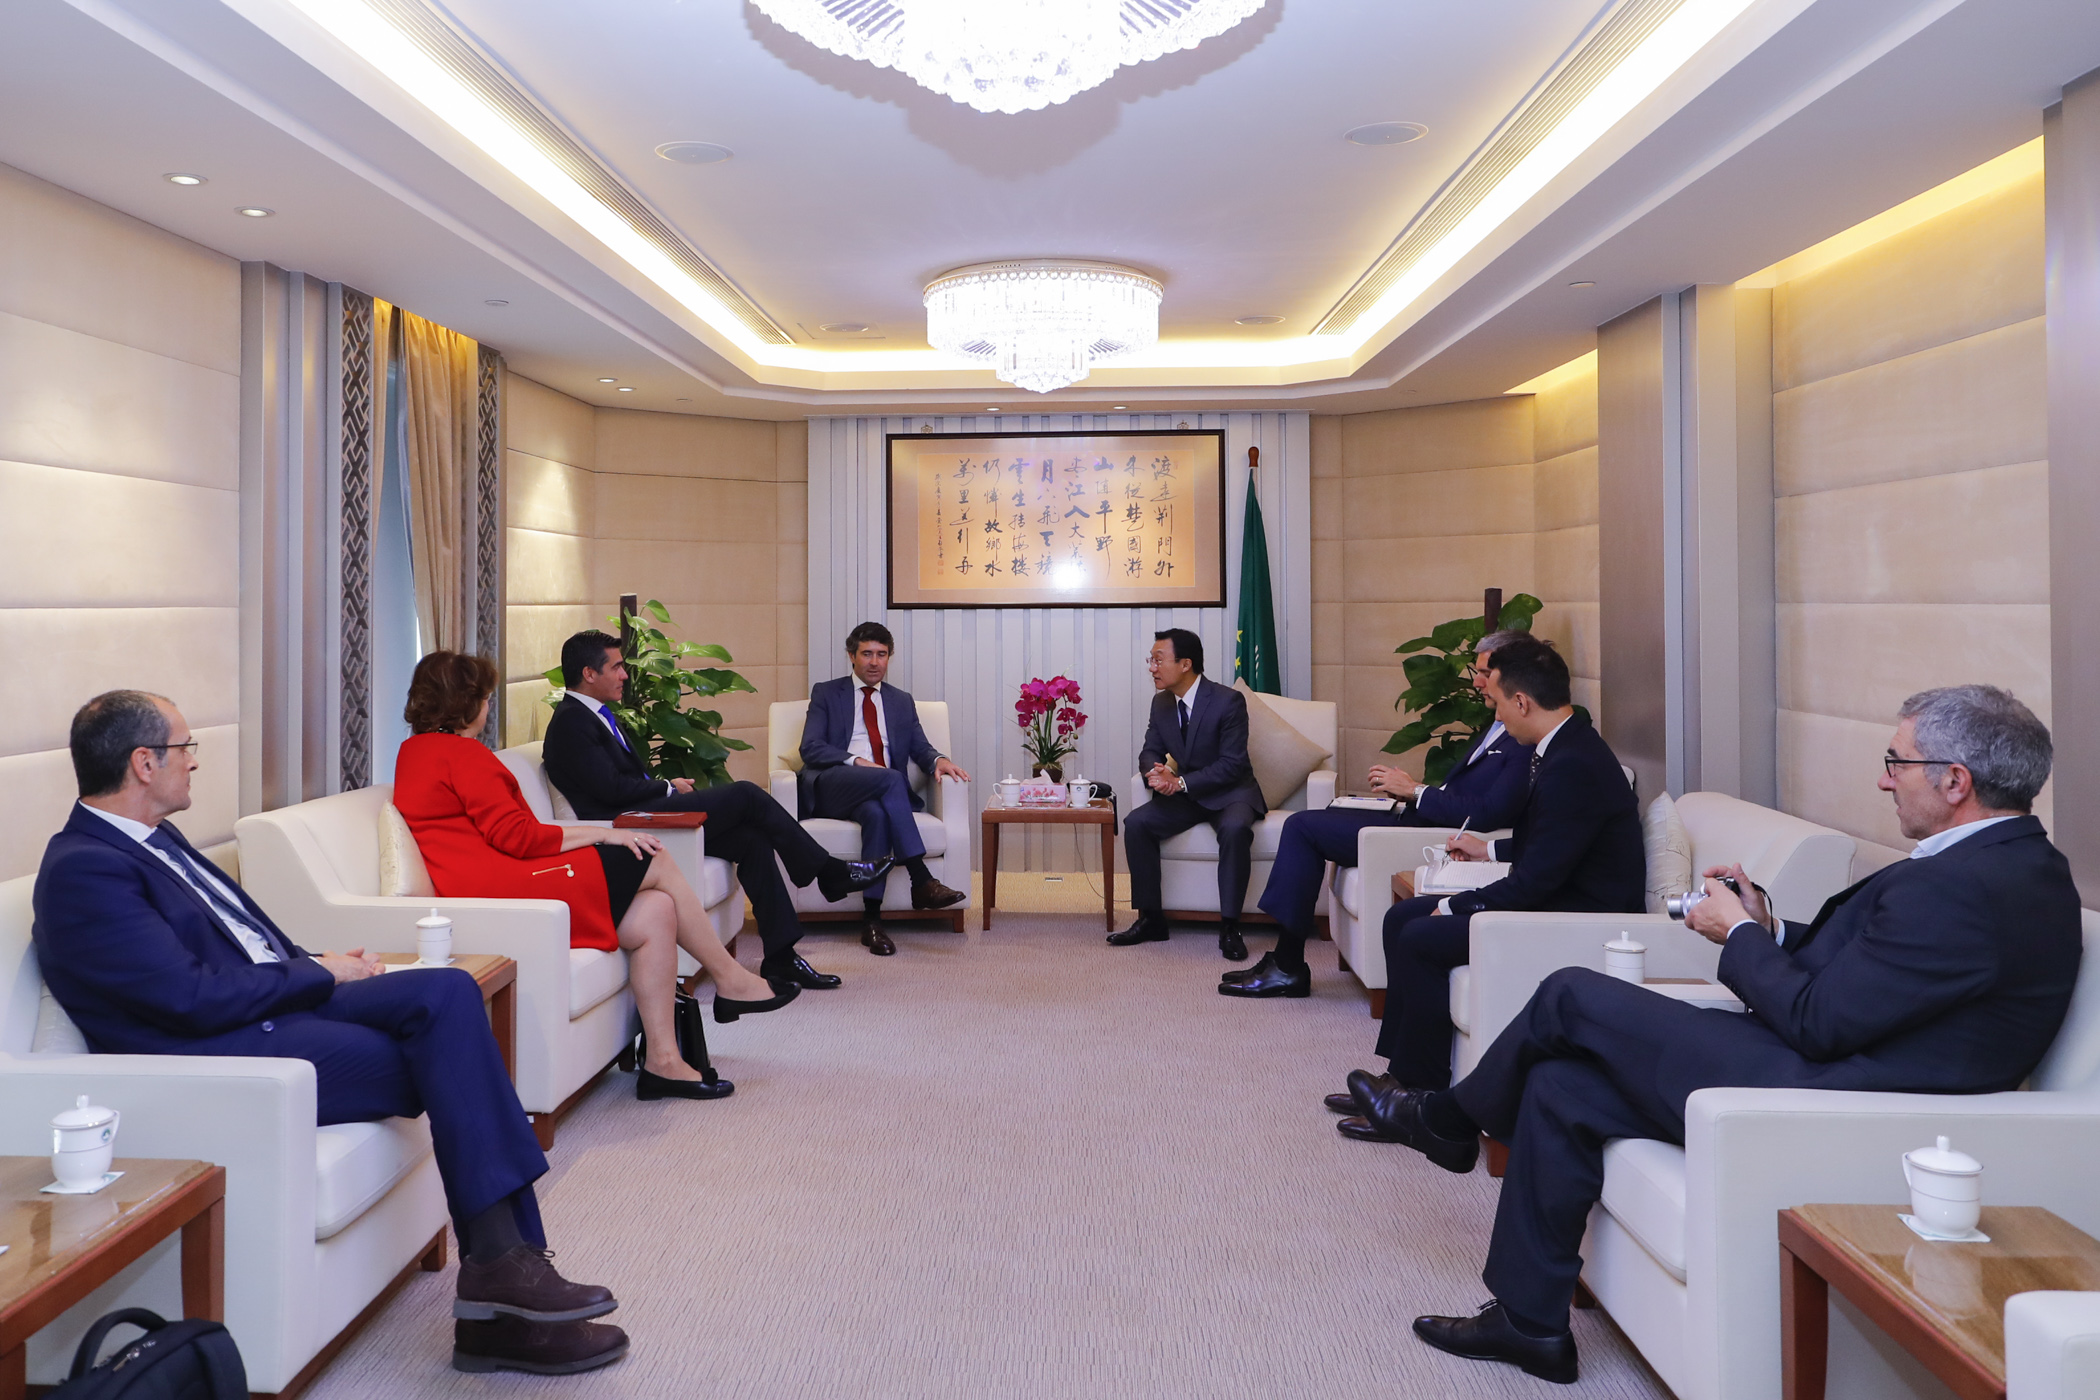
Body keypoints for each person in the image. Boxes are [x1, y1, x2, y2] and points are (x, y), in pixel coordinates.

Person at [1361, 685, 2081, 1385]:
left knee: (1569, 994)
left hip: (1837, 1094)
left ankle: (1447, 1119)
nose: (1884, 780)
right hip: (1833, 1063)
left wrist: (1738, 934)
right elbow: (1871, 978)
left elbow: (1820, 1022)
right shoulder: (2003, 867)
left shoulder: (1968, 886)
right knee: (1561, 1084)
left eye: (1898, 762)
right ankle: (1529, 1324)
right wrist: (1768, 926)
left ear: (1955, 781)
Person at [32, 691, 627, 1376]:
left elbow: (243, 942)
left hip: (270, 1007)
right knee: (454, 1061)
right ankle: (501, 1290)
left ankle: (503, 1274)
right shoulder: (85, 868)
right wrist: (318, 974)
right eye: (185, 748)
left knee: (449, 990)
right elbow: (186, 998)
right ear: (144, 763)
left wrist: (320, 963)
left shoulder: (154, 839)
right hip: (224, 1050)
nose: (193, 762)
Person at [392, 652, 798, 1106]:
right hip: (504, 882)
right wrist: (604, 835)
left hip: (480, 881)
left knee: (656, 910)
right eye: (485, 698)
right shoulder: (462, 754)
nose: (488, 707)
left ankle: (663, 1061)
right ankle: (730, 979)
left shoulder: (413, 751)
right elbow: (518, 837)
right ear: (466, 703)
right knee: (654, 858)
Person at [1332, 636, 1641, 1095]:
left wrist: (1454, 905)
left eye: (1497, 703)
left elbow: (1535, 882)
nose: (1496, 717)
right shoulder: (1565, 745)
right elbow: (1557, 841)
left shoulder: (1572, 765)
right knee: (1401, 917)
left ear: (1522, 701)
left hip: (1578, 915)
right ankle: (1402, 1072)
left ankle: (1419, 1090)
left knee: (1421, 934)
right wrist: (1489, 851)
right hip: (1558, 893)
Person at [541, 629, 892, 990]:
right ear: (589, 673)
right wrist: (665, 786)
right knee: (746, 795)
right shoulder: (571, 722)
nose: (624, 675)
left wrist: (666, 786)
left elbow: (615, 781)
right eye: (616, 667)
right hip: (629, 825)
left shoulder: (594, 715)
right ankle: (828, 870)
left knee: (751, 840)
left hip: (646, 811)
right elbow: (610, 790)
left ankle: (781, 958)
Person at [1227, 629, 1535, 999]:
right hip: (1416, 818)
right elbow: (1467, 794)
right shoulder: (1498, 725)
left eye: (1485, 673)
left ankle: (1287, 965)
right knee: (1321, 817)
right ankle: (1285, 960)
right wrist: (1409, 791)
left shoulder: (1522, 739)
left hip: (1429, 836)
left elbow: (1489, 812)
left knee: (1302, 826)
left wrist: (1417, 791)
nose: (1478, 682)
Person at [798, 621, 970, 956]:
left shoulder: (901, 701)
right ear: (851, 656)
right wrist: (856, 761)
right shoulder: (827, 693)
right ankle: (921, 879)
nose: (874, 662)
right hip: (834, 785)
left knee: (877, 815)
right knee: (892, 777)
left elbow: (920, 747)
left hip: (877, 794)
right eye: (866, 654)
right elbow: (811, 748)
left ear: (889, 657)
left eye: (881, 654)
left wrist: (939, 760)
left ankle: (872, 921)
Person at [1111, 628, 1267, 961]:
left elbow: (1233, 765)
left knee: (1235, 830)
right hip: (1187, 796)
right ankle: (1151, 919)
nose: (1152, 667)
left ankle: (1230, 927)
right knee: (1137, 823)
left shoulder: (1228, 701)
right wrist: (1155, 774)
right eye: (1150, 660)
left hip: (1230, 793)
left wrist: (1180, 782)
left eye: (1158, 660)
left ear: (1185, 664)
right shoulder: (1162, 703)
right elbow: (1150, 750)